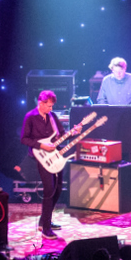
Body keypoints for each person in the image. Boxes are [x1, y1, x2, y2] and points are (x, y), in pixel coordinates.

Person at [20, 90, 81, 239]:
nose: (51, 109)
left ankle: (44, 220)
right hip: (41, 157)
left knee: (58, 189)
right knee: (49, 190)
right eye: (48, 106)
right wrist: (42, 146)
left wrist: (73, 132)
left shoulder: (53, 117)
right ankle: (46, 228)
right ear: (40, 104)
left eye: (52, 106)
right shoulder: (30, 117)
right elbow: (24, 139)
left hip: (56, 155)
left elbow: (61, 134)